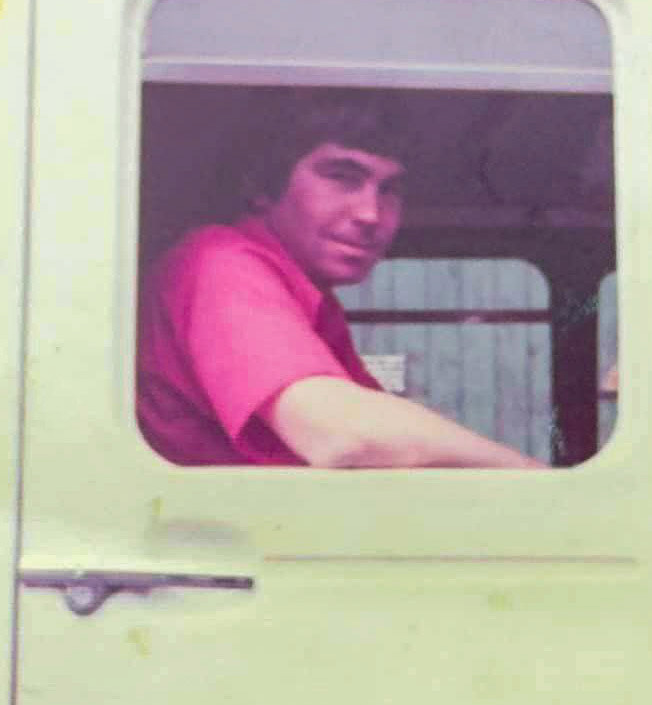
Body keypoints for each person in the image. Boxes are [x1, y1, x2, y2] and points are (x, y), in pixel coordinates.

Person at [137, 93, 547, 469]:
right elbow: (347, 435)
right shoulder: (219, 262)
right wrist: (540, 480)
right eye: (342, 177)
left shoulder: (309, 300)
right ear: (263, 187)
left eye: (390, 190)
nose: (371, 214)